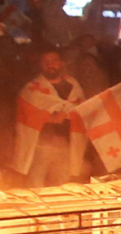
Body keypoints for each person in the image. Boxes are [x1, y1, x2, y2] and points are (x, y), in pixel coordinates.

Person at [15, 48, 89, 188]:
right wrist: (51, 117)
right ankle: (37, 208)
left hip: (68, 143)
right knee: (36, 181)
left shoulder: (73, 84)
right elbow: (25, 115)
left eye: (54, 61)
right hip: (41, 144)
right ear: (41, 65)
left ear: (61, 63)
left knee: (63, 180)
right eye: (46, 62)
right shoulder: (31, 89)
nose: (50, 64)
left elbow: (82, 108)